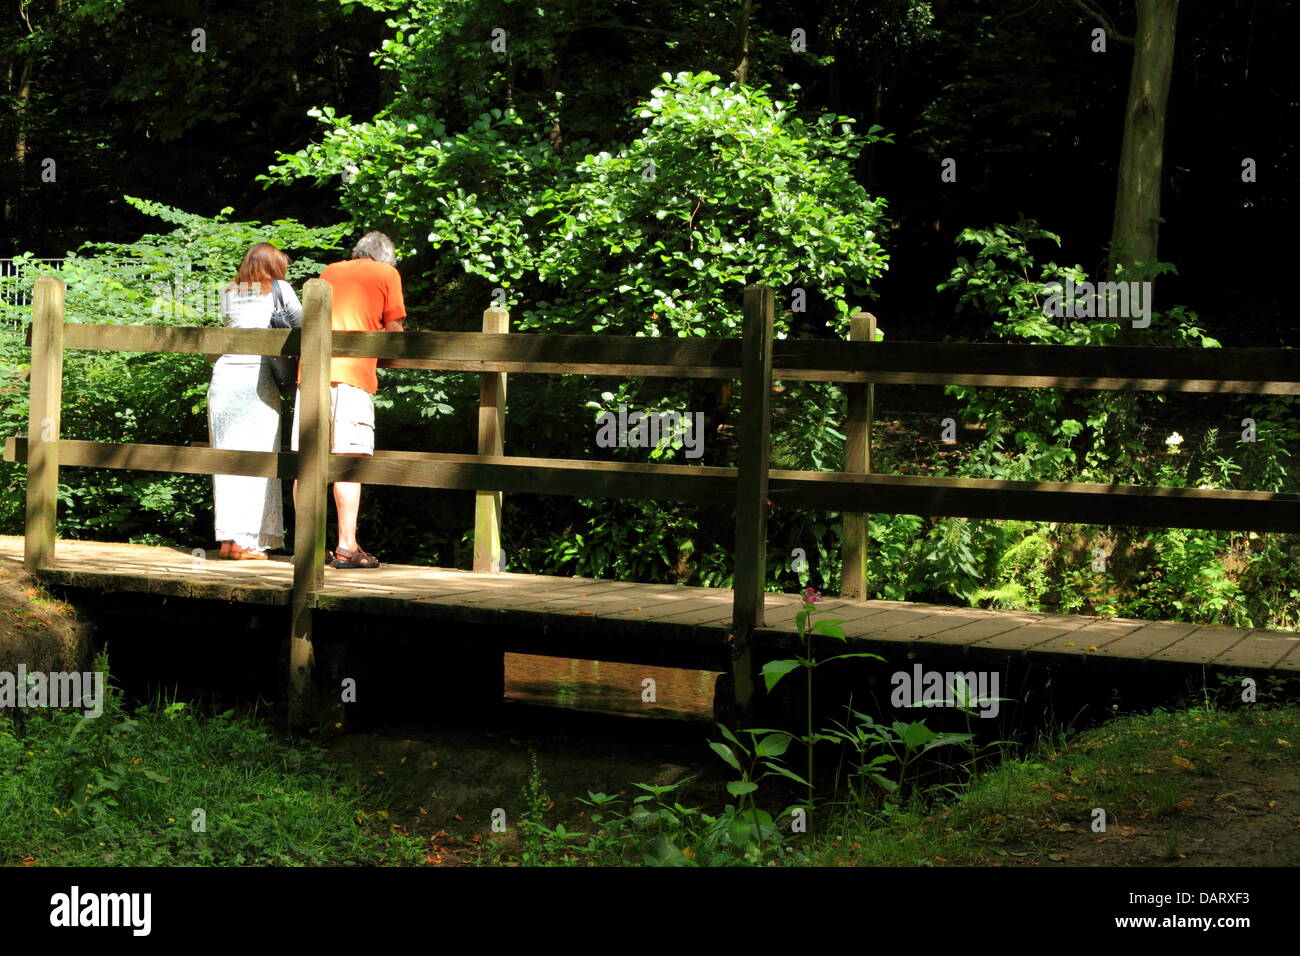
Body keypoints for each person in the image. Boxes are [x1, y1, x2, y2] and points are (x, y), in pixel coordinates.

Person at [292, 231, 405, 568]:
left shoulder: (329, 271)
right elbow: (394, 333)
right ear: (386, 258)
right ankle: (346, 548)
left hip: (311, 374)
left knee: (307, 462)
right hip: (352, 376)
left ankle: (306, 547)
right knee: (348, 461)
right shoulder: (388, 275)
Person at [208, 242, 302, 559]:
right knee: (259, 457)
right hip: (257, 379)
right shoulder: (280, 289)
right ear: (274, 267)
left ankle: (228, 540)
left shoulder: (228, 292)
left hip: (223, 378)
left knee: (226, 460)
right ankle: (246, 543)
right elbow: (303, 326)